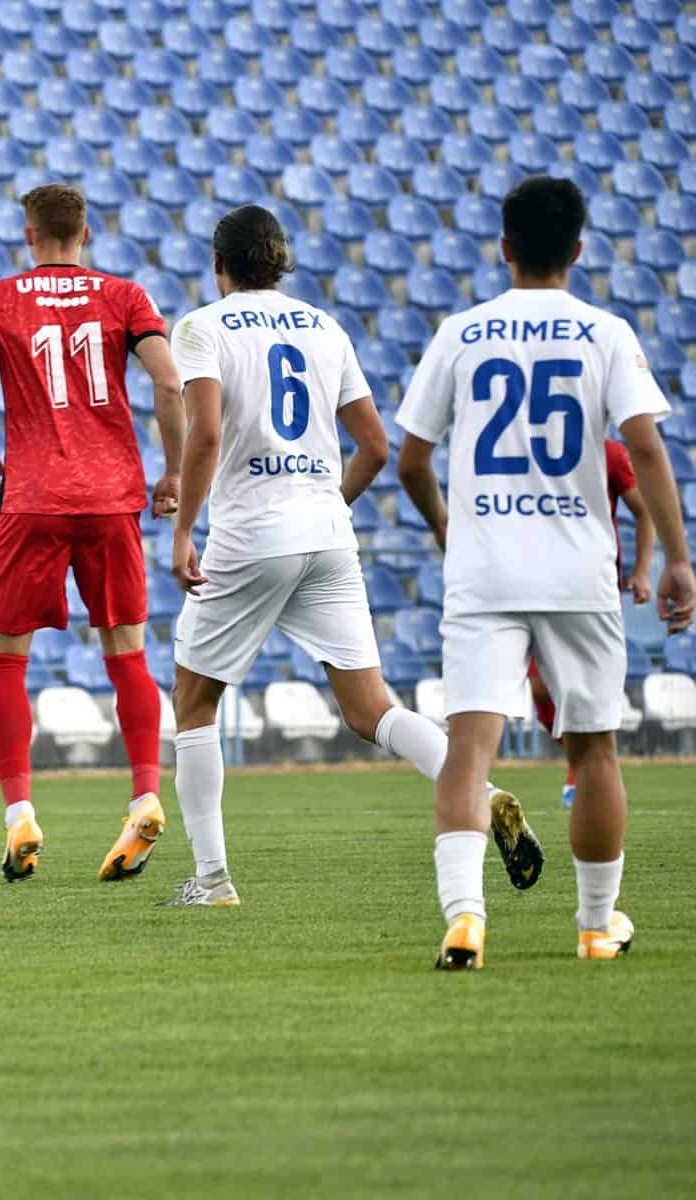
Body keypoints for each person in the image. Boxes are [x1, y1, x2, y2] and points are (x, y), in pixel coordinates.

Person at [162, 205, 541, 908]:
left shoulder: (202, 328)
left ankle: (212, 879)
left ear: (219, 266)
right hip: (329, 533)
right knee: (371, 708)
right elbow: (375, 445)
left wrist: (185, 530)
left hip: (250, 534)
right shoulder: (324, 326)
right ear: (280, 264)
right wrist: (329, 502)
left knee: (194, 702)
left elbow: (207, 433)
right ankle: (480, 791)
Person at [396, 175, 695, 969]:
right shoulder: (604, 333)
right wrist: (676, 555)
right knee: (594, 750)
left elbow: (412, 456)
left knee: (469, 751)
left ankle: (465, 920)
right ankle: (597, 927)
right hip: (576, 569)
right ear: (578, 250)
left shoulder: (462, 332)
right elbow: (649, 447)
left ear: (504, 248)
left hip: (486, 566)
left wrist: (443, 522)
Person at [0, 182, 186, 883]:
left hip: (34, 497)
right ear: (87, 233)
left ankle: (20, 812)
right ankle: (143, 794)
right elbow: (169, 385)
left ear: (28, 234)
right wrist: (170, 475)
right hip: (112, 497)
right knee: (127, 653)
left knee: (6, 660)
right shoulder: (126, 296)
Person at [528, 436, 654, 808]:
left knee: (589, 686)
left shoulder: (610, 452)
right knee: (538, 687)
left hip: (595, 588)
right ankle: (576, 758)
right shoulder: (532, 448)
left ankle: (584, 769)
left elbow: (644, 510)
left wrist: (642, 572)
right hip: (541, 584)